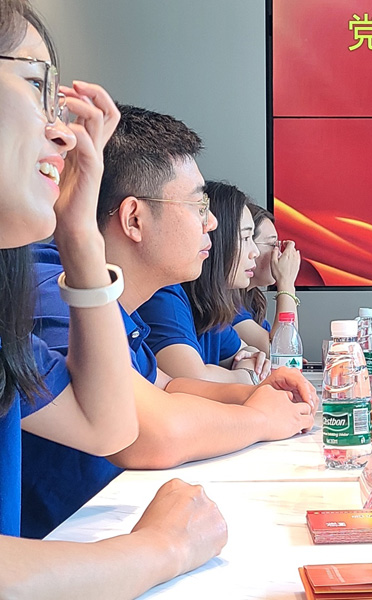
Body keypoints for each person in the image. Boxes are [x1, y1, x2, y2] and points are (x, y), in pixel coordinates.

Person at [0, 1, 226, 595]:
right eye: (34, 85)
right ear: (133, 218)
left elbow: (106, 426)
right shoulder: (40, 287)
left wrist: (78, 231)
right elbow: (144, 432)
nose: (61, 132)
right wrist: (162, 548)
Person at [26, 106, 317, 537]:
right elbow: (149, 431)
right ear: (134, 219)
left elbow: (166, 385)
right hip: (62, 551)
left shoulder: (115, 300)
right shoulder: (52, 286)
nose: (212, 223)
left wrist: (253, 394)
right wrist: (260, 419)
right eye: (199, 205)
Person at [137, 180, 275, 382]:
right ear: (217, 240)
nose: (254, 252)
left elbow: (254, 357)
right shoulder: (165, 296)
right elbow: (193, 379)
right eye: (246, 238)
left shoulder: (210, 306)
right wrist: (244, 376)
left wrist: (244, 370)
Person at [233, 202, 301, 353]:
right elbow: (281, 351)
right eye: (272, 244)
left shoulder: (252, 301)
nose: (279, 254)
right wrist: (286, 283)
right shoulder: (229, 308)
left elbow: (286, 349)